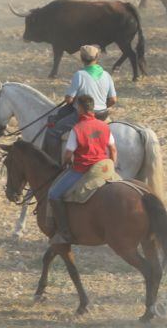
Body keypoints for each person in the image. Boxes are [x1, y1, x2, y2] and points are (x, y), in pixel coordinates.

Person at [46, 94, 117, 245]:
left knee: (53, 194)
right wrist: (111, 165)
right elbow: (113, 149)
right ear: (92, 108)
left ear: (80, 109)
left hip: (83, 169)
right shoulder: (104, 126)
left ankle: (64, 233)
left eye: (77, 107)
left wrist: (65, 163)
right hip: (104, 168)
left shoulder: (77, 129)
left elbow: (68, 153)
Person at [42, 45, 117, 163]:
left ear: (82, 59)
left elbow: (69, 100)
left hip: (83, 114)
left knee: (52, 131)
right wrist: (101, 106)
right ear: (97, 57)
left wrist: (76, 100)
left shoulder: (80, 75)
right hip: (103, 114)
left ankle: (53, 164)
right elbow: (113, 99)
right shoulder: (106, 75)